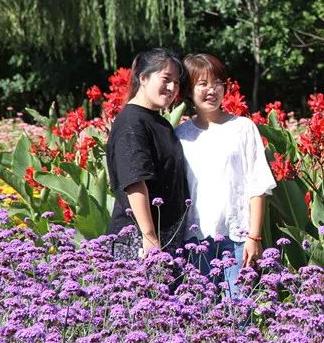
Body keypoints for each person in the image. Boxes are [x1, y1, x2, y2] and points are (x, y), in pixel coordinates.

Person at [175, 54, 276, 298]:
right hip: (195, 239)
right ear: (189, 90)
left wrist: (254, 236)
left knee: (238, 310)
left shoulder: (242, 128)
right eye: (203, 84)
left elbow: (258, 185)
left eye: (217, 83)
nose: (211, 90)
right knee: (199, 313)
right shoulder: (180, 135)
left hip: (237, 236)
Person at [106, 48, 190, 258]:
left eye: (177, 82)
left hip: (165, 237)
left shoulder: (158, 122)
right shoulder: (131, 123)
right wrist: (150, 237)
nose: (172, 88)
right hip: (139, 241)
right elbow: (134, 181)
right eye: (166, 79)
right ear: (143, 77)